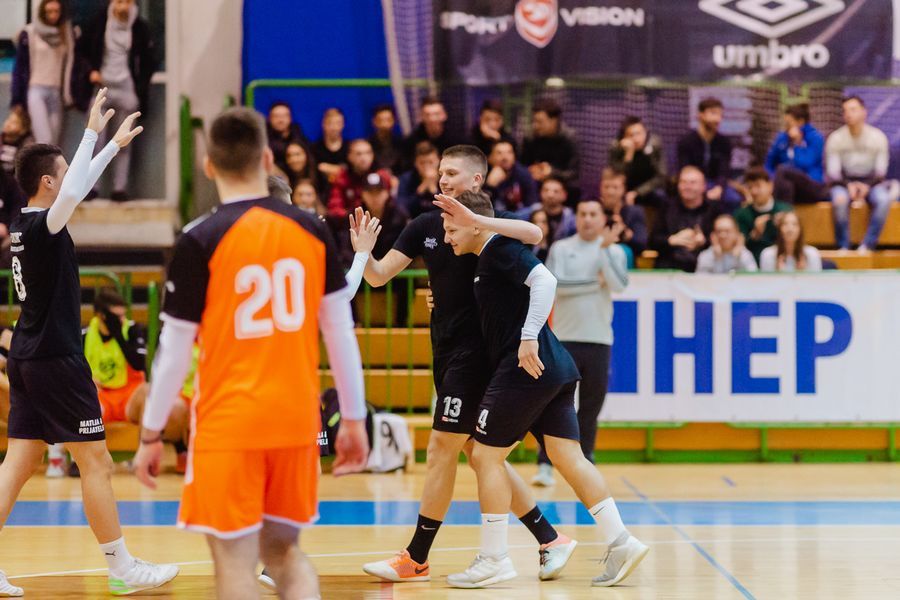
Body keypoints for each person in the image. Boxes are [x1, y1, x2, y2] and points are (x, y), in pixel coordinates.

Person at [132, 107, 370, 600]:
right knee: (285, 554)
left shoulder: (199, 238)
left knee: (235, 566)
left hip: (229, 421)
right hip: (295, 419)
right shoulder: (312, 230)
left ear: (208, 166)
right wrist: (352, 418)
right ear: (266, 158)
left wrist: (152, 433)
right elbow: (340, 333)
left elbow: (173, 350)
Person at [358, 145, 578, 584]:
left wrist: (480, 222)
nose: (443, 179)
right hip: (444, 350)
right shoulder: (425, 225)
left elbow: (534, 234)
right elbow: (379, 277)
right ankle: (550, 537)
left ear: (476, 180)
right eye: (441, 172)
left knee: (442, 448)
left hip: (477, 355)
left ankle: (417, 556)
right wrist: (363, 252)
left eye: (453, 173)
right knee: (481, 455)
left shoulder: (488, 225)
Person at [0, 88, 178, 596]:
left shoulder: (23, 223)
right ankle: (122, 568)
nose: (70, 180)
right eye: (63, 173)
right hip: (55, 359)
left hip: (27, 356)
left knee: (19, 461)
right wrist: (92, 134)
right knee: (95, 461)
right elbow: (73, 192)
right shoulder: (45, 224)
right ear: (47, 181)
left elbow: (74, 189)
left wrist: (110, 147)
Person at [441, 190, 648, 589]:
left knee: (484, 456)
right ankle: (621, 541)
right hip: (555, 368)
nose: (447, 237)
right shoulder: (486, 256)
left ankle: (494, 558)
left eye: (452, 229)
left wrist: (528, 336)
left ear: (473, 224)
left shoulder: (498, 249)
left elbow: (545, 279)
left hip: (527, 367)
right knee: (568, 456)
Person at [532, 199, 628, 488]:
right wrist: (593, 283)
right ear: (576, 218)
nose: (587, 219)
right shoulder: (562, 248)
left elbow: (619, 284)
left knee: (591, 406)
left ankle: (586, 461)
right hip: (564, 339)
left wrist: (604, 251)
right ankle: (545, 464)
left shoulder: (614, 251)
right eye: (583, 213)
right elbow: (556, 285)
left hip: (599, 339)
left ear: (603, 219)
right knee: (554, 404)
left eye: (593, 214)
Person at [80, 0, 158, 201]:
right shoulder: (100, 21)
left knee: (123, 142)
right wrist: (91, 71)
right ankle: (91, 186)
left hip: (126, 89)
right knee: (95, 140)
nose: (123, 6)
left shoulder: (139, 27)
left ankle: (119, 188)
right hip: (102, 87)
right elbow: (82, 50)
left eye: (127, 1)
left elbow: (149, 60)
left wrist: (139, 87)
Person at [825, 95, 896, 252]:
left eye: (853, 109)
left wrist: (866, 187)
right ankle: (844, 246)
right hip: (843, 183)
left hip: (872, 183)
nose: (848, 114)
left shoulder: (878, 137)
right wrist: (848, 185)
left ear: (864, 112)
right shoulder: (836, 138)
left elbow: (880, 172)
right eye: (845, 111)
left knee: (883, 199)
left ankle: (867, 245)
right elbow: (833, 172)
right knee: (839, 200)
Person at [10, 0, 77, 145]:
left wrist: (69, 92)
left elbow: (70, 63)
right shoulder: (30, 32)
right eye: (49, 12)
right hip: (36, 89)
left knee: (54, 143)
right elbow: (20, 67)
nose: (53, 15)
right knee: (44, 139)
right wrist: (17, 98)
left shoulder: (66, 33)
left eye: (56, 11)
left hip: (56, 91)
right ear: (42, 13)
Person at [650, 166, 721, 272]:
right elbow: (652, 241)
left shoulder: (714, 210)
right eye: (683, 182)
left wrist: (704, 241)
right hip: (670, 267)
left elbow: (724, 241)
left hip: (704, 269)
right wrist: (671, 240)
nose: (687, 187)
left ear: (703, 186)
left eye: (693, 183)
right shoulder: (667, 207)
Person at [677, 97, 742, 209]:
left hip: (716, 183)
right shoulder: (686, 142)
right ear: (700, 115)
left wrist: (719, 187)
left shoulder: (724, 142)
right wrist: (699, 187)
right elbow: (685, 169)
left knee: (734, 199)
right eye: (713, 113)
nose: (717, 119)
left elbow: (724, 171)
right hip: (692, 184)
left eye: (720, 115)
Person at [764, 103, 829, 204]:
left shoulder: (815, 138)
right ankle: (785, 212)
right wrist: (771, 179)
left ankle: (782, 210)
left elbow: (807, 162)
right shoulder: (782, 138)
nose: (786, 127)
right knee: (785, 182)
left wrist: (797, 143)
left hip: (812, 185)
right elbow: (769, 163)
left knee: (782, 170)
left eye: (789, 123)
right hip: (787, 186)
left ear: (800, 122)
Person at [521, 99, 580, 198]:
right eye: (534, 121)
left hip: (563, 189)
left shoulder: (569, 139)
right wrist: (531, 171)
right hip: (535, 187)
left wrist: (552, 173)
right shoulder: (530, 138)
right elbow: (523, 165)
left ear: (554, 121)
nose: (535, 126)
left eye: (539, 122)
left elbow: (574, 174)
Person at [734, 167, 793, 263]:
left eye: (758, 186)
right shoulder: (741, 214)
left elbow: (796, 241)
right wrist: (754, 235)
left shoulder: (785, 210)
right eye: (750, 187)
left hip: (781, 262)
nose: (754, 191)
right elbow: (737, 247)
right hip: (752, 264)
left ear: (770, 186)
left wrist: (783, 227)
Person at [608, 116, 667, 207]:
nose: (636, 139)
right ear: (624, 137)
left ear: (645, 132)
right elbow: (617, 176)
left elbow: (661, 176)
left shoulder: (654, 145)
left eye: (639, 133)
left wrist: (638, 192)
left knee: (661, 195)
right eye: (631, 135)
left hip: (648, 188)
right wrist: (629, 154)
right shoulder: (616, 148)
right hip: (626, 188)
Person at [326, 139, 391, 220]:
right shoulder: (342, 178)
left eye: (368, 153)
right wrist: (353, 217)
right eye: (358, 154)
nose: (364, 158)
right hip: (350, 222)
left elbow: (392, 205)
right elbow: (334, 209)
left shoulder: (383, 177)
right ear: (349, 156)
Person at [598, 167, 648, 261]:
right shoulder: (593, 211)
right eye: (606, 187)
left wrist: (624, 231)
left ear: (623, 189)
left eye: (615, 187)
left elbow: (642, 244)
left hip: (625, 258)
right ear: (600, 188)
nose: (610, 192)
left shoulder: (634, 212)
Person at [401, 97, 463, 170]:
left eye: (436, 114)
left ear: (444, 115)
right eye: (427, 115)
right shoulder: (411, 143)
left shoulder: (458, 139)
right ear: (421, 117)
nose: (432, 119)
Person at [483, 140, 538, 213]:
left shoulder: (523, 174)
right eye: (499, 153)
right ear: (490, 158)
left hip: (519, 216)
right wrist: (490, 186)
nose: (505, 157)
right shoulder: (482, 174)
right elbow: (481, 208)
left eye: (509, 152)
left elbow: (532, 204)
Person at [524, 177, 576, 245]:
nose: (550, 195)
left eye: (556, 191)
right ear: (540, 192)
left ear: (564, 195)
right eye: (546, 190)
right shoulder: (531, 211)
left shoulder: (571, 219)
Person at [397, 141, 441, 219]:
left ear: (438, 161)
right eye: (422, 163)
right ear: (415, 163)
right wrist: (421, 189)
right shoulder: (406, 179)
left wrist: (434, 191)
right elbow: (403, 209)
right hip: (414, 221)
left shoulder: (445, 179)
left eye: (430, 162)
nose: (426, 167)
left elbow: (449, 209)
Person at [311, 107, 348, 183]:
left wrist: (326, 167)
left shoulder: (350, 148)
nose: (334, 127)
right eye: (330, 123)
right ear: (323, 124)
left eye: (338, 123)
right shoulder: (314, 149)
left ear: (343, 124)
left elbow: (352, 171)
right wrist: (341, 169)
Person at [265, 101, 308, 167]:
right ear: (269, 119)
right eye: (276, 116)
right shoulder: (263, 140)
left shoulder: (298, 135)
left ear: (290, 118)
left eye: (284, 116)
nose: (280, 120)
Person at [1, 106, 34, 178]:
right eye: (8, 119)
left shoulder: (25, 145)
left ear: (23, 129)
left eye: (14, 123)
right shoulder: (1, 139)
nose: (8, 124)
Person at [368, 104, 402, 173]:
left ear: (394, 121)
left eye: (388, 120)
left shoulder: (402, 143)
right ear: (374, 121)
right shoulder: (368, 145)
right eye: (380, 120)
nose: (384, 124)